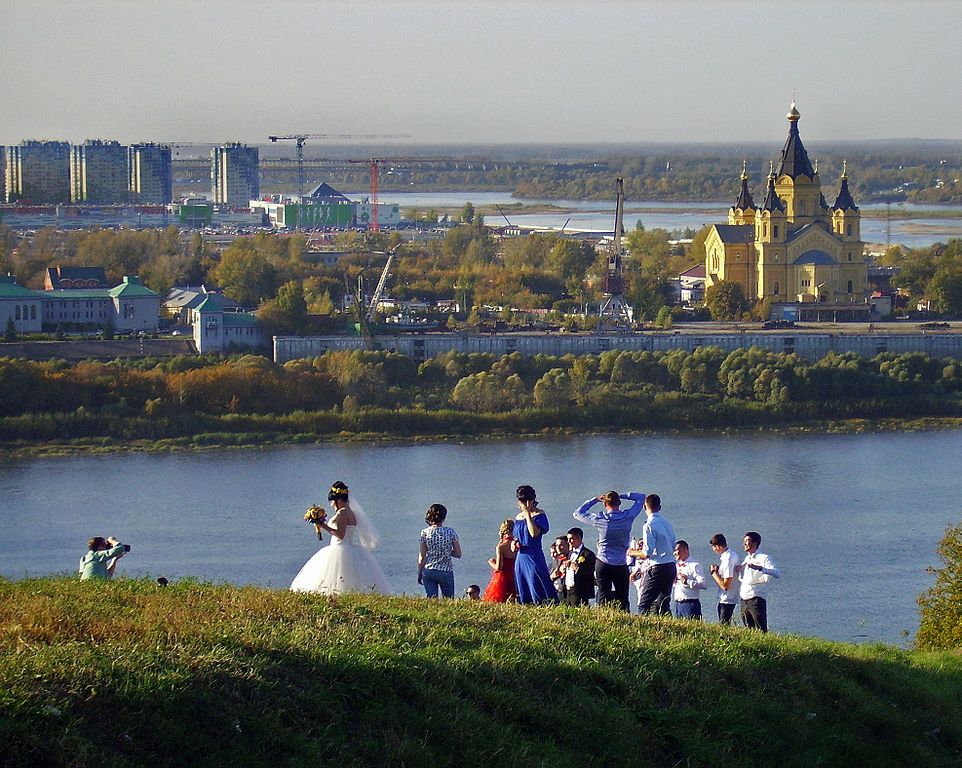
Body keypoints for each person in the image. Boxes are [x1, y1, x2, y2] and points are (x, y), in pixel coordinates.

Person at [291, 481, 392, 595]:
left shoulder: (342, 513)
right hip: (350, 547)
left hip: (339, 547)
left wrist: (323, 525)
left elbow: (340, 534)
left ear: (338, 500)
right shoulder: (351, 512)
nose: (331, 505)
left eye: (332, 502)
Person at [573, 490, 645, 611]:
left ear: (605, 504)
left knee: (603, 595)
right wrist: (622, 495)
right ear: (619, 503)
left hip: (603, 562)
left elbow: (577, 513)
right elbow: (641, 497)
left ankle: (602, 617)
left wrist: (595, 500)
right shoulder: (628, 516)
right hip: (621, 562)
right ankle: (625, 618)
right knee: (623, 597)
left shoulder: (600, 519)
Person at [628, 494, 676, 615]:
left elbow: (647, 553)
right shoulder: (667, 523)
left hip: (657, 566)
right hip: (670, 565)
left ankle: (643, 624)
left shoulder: (648, 525)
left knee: (644, 604)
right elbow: (672, 543)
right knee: (663, 602)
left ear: (645, 507)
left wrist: (632, 552)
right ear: (660, 507)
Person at [512, 485, 558, 605]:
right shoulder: (518, 517)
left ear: (531, 500)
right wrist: (514, 543)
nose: (522, 504)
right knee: (523, 585)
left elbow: (534, 533)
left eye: (524, 501)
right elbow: (516, 536)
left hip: (533, 555)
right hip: (521, 556)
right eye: (520, 501)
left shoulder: (540, 515)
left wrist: (527, 514)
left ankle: (544, 605)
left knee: (536, 582)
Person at [736, 531, 781, 632]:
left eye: (747, 541)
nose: (744, 544)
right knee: (748, 630)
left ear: (755, 543)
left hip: (755, 599)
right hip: (744, 599)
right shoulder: (747, 558)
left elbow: (777, 573)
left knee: (761, 629)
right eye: (744, 541)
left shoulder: (763, 558)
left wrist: (760, 568)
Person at [418, 503, 462, 598]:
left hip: (429, 570)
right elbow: (458, 554)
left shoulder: (424, 532)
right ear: (443, 517)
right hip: (446, 571)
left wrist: (419, 573)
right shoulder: (450, 532)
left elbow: (422, 557)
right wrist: (447, 551)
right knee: (448, 599)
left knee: (431, 599)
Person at [482, 518, 517, 603]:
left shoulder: (501, 547)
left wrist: (491, 562)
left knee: (499, 599)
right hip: (515, 574)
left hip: (503, 577)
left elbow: (499, 567)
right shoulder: (517, 544)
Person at [708, 533, 739, 625]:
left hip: (727, 599)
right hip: (729, 597)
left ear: (718, 546)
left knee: (724, 625)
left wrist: (713, 573)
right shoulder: (731, 555)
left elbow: (725, 585)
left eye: (713, 547)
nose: (713, 549)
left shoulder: (727, 559)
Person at [672, 540, 707, 619]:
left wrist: (687, 581)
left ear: (685, 550)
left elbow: (704, 584)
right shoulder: (676, 566)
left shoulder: (695, 565)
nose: (674, 553)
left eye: (676, 550)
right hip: (678, 605)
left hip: (690, 604)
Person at [563, 527, 597, 607]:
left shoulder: (588, 554)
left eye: (571, 539)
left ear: (578, 538)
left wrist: (577, 569)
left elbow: (590, 573)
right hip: (568, 591)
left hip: (580, 591)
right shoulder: (570, 553)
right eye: (568, 539)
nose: (569, 542)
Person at [549, 536, 570, 601]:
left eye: (561, 545)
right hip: (559, 594)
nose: (558, 548)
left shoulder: (573, 558)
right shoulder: (556, 562)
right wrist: (552, 577)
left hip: (573, 594)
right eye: (556, 545)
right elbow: (549, 580)